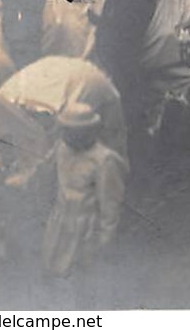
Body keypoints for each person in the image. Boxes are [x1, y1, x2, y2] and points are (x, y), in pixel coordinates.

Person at [42, 104, 127, 277]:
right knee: (53, 271)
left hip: (86, 230)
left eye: (74, 131)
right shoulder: (62, 147)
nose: (68, 136)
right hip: (60, 222)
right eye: (65, 130)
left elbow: (110, 204)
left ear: (90, 131)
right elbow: (46, 170)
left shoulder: (104, 160)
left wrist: (105, 239)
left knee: (79, 277)